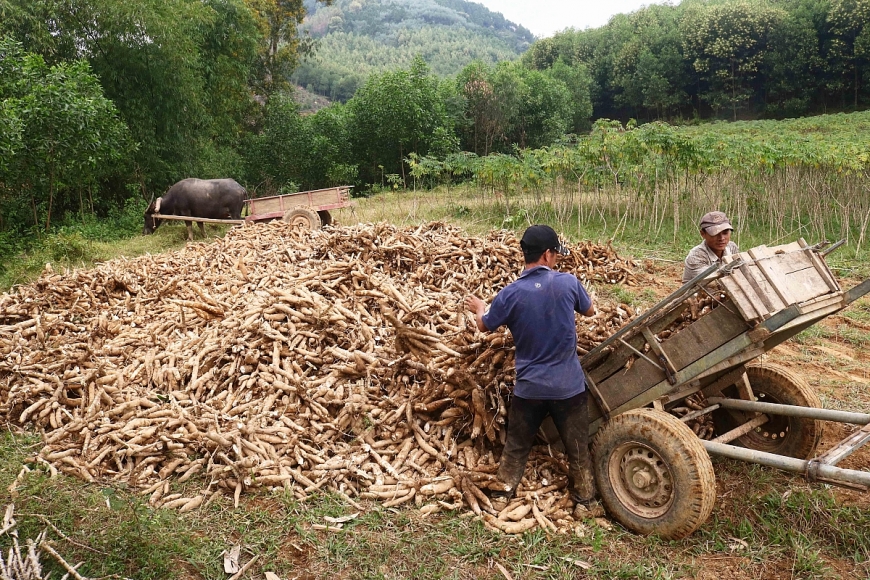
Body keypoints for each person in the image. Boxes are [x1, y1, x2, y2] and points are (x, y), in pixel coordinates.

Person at [464, 224, 599, 516]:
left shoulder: (510, 294)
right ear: (548, 254)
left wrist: (479, 307)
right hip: (568, 387)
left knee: (516, 445)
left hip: (530, 388)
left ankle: (502, 494)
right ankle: (586, 502)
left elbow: (484, 325)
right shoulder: (567, 283)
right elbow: (590, 311)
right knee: (577, 447)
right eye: (555, 255)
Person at [682, 211, 739, 283]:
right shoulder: (696, 256)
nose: (721, 238)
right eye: (715, 234)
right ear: (703, 234)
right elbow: (712, 282)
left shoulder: (732, 247)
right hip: (703, 292)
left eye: (725, 233)